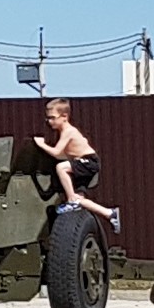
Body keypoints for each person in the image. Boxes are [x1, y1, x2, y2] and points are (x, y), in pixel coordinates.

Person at [33, 97, 121, 234]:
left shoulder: (69, 131)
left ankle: (71, 201)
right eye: (47, 119)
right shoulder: (64, 133)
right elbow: (64, 154)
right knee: (80, 199)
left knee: (61, 167)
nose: (50, 122)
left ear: (64, 117)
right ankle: (110, 214)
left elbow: (57, 153)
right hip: (81, 162)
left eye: (52, 118)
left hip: (89, 162)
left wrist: (41, 144)